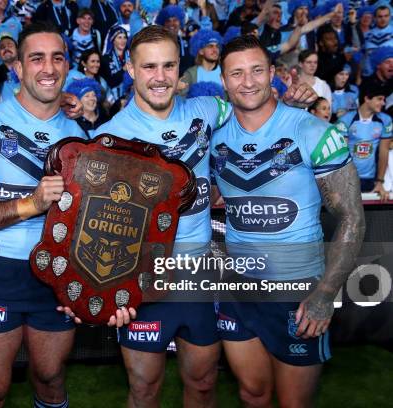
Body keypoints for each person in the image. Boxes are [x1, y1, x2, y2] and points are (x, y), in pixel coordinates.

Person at [62, 25, 316, 408]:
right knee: (144, 389)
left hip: (198, 275)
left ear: (181, 69)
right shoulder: (107, 138)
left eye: (168, 65)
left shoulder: (208, 110)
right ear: (130, 70)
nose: (160, 77)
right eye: (149, 67)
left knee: (202, 384)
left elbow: (257, 111)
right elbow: (88, 224)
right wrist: (93, 288)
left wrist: (293, 106)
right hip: (142, 280)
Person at [210, 34, 365, 407]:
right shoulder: (214, 137)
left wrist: (325, 294)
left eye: (257, 70)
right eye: (237, 73)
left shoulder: (314, 131)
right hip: (239, 287)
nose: (247, 81)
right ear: (224, 80)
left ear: (274, 74)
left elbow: (352, 218)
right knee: (252, 394)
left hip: (298, 290)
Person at [0, 22, 86, 408]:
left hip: (58, 270)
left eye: (57, 58)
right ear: (19, 68)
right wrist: (31, 203)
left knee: (50, 379)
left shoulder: (80, 135)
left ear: (66, 66)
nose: (48, 67)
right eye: (37, 58)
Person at [335, 83, 392, 199]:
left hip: (371, 180)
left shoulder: (385, 120)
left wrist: (380, 181)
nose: (383, 103)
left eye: (384, 99)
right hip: (348, 179)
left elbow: (384, 152)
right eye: (379, 99)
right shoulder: (345, 120)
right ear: (367, 98)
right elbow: (341, 154)